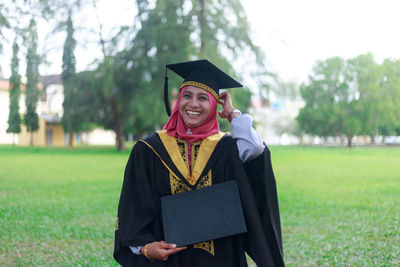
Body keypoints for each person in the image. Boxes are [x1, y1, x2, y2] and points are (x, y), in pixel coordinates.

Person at [114, 60, 284, 267]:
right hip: (168, 261)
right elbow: (133, 206)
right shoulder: (149, 150)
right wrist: (146, 248)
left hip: (221, 259)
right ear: (178, 101)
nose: (193, 104)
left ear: (214, 106)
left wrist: (232, 114)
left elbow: (256, 148)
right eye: (187, 96)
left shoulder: (225, 148)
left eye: (203, 98)